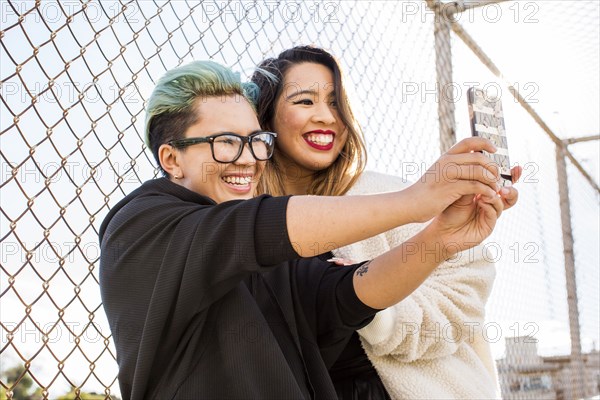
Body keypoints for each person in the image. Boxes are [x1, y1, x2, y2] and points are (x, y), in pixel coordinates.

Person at [99, 60, 508, 400]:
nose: (248, 159)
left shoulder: (262, 257)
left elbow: (343, 295)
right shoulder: (142, 225)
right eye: (226, 142)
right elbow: (258, 226)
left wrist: (439, 238)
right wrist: (415, 201)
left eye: (256, 141)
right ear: (171, 159)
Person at [251, 45, 522, 399]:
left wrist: (376, 309)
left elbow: (464, 291)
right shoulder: (247, 219)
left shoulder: (387, 195)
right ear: (266, 117)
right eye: (305, 102)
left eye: (336, 104)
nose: (327, 117)